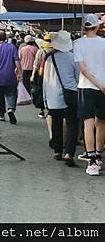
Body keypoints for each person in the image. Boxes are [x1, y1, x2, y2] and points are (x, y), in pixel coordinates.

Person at [73, 14, 105, 176]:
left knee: (88, 122)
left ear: (84, 27)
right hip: (104, 87)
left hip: (86, 86)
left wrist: (97, 84)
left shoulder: (78, 44)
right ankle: (98, 155)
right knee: (102, 121)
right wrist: (102, 85)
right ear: (97, 26)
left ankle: (91, 159)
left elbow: (83, 70)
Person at [43, 31, 79, 167]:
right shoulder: (73, 57)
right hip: (70, 95)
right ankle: (69, 153)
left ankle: (57, 151)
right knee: (72, 124)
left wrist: (45, 98)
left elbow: (45, 81)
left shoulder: (49, 58)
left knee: (56, 123)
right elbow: (77, 77)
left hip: (53, 96)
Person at [31, 33, 52, 119]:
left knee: (41, 91)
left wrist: (32, 75)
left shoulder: (41, 51)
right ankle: (50, 109)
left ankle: (42, 110)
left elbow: (36, 64)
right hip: (52, 75)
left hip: (42, 74)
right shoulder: (56, 50)